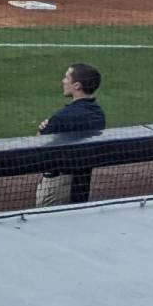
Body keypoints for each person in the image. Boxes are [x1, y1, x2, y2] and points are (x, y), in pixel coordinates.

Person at [35, 63, 106, 207]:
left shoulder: (64, 117)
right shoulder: (98, 114)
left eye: (67, 77)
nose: (63, 81)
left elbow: (38, 146)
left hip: (57, 186)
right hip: (82, 182)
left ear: (77, 85)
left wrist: (43, 129)